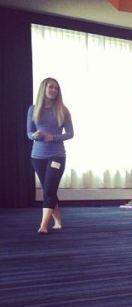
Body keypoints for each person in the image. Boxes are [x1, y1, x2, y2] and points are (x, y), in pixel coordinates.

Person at [27, 78, 74, 234]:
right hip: (37, 157)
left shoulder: (63, 110)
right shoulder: (33, 109)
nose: (54, 90)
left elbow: (70, 134)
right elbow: (29, 133)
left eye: (56, 88)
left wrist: (52, 137)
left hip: (57, 155)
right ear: (44, 89)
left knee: (48, 190)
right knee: (50, 190)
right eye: (51, 87)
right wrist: (35, 135)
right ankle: (58, 222)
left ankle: (43, 226)